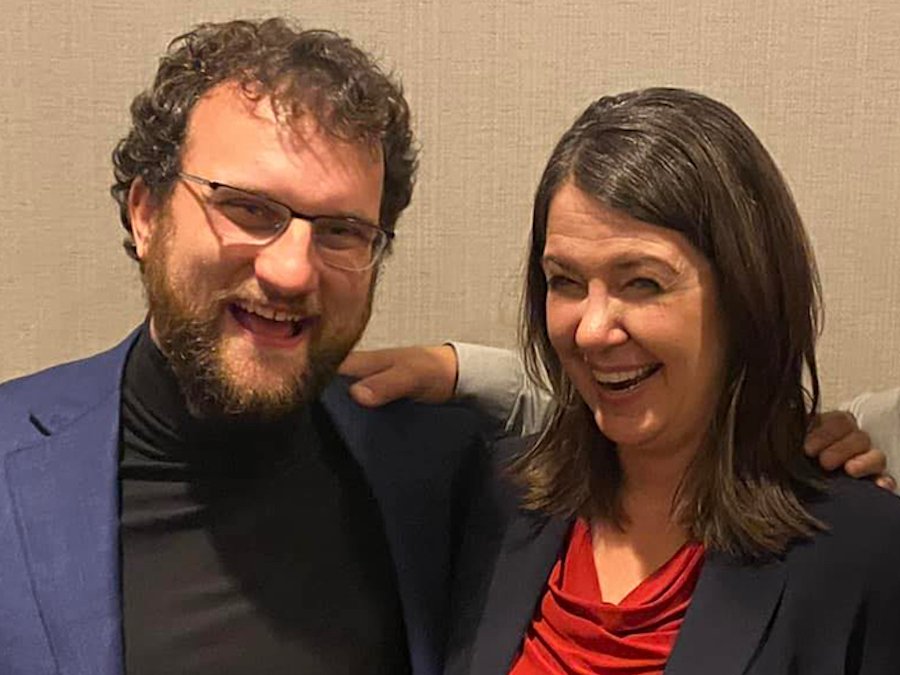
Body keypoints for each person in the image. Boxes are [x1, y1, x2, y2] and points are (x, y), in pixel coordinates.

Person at [345, 88, 900, 672]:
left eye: (642, 283)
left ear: (746, 295)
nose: (591, 330)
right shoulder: (495, 497)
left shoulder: (861, 552)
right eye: (565, 282)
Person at [0, 18, 487, 675]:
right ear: (147, 214)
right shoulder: (12, 465)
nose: (292, 271)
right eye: (249, 209)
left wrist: (473, 369)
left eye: (341, 231)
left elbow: (606, 422)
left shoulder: (436, 465)